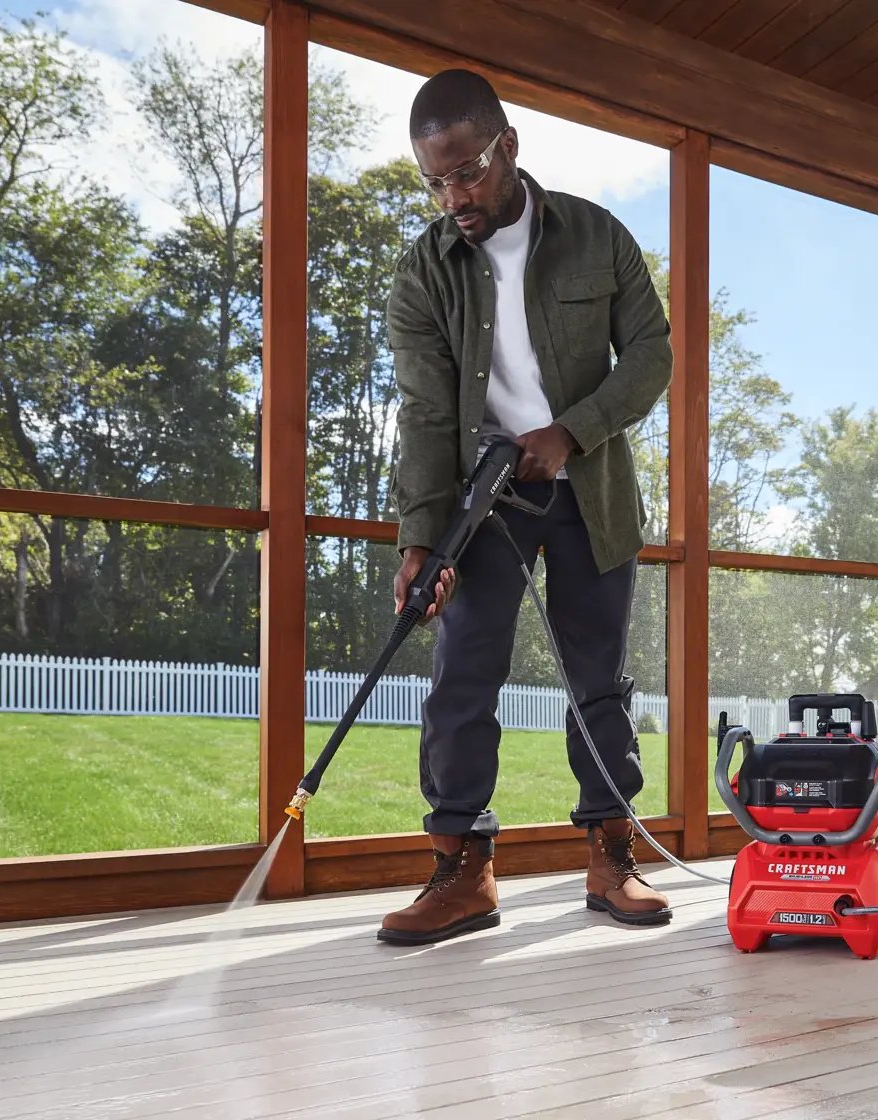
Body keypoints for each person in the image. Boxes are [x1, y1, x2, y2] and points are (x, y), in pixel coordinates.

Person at [377, 69, 674, 945]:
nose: (453, 195)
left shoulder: (596, 234)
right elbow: (427, 413)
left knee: (599, 683)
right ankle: (463, 871)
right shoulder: (424, 269)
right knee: (461, 675)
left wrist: (572, 434)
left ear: (507, 146)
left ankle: (611, 858)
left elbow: (650, 355)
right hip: (484, 498)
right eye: (434, 180)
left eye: (466, 171)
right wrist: (420, 540)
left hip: (591, 490)